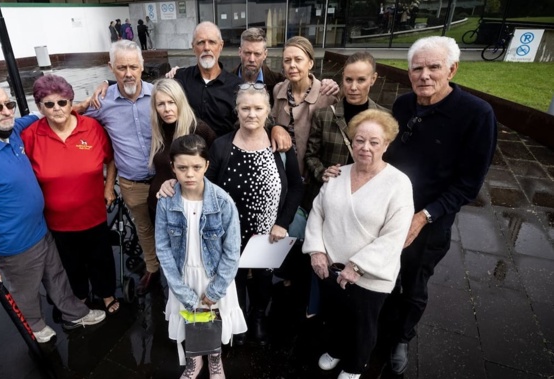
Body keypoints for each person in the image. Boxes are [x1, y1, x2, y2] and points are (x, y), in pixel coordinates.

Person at [0, 83, 106, 344]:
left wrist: (82, 104)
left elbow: (47, 112)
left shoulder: (10, 130)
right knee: (25, 290)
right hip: (13, 243)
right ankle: (34, 326)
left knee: (56, 277)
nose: (6, 112)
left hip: (41, 230)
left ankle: (74, 313)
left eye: (9, 104)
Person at [382, 36, 497, 375]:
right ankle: (380, 323)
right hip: (392, 209)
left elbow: (468, 185)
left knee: (415, 282)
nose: (425, 75)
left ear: (453, 69)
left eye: (434, 67)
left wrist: (425, 215)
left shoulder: (477, 115)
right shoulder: (403, 105)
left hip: (432, 217)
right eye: (417, 68)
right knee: (386, 271)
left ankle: (402, 336)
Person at [303, 109, 414, 379]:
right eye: (359, 140)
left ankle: (356, 365)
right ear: (351, 142)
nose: (365, 147)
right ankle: (337, 350)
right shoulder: (338, 173)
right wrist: (316, 250)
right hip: (330, 267)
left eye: (374, 142)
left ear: (386, 144)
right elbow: (317, 211)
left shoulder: (398, 184)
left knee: (363, 325)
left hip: (369, 275)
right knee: (335, 316)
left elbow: (395, 235)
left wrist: (358, 266)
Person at [206, 84, 303, 345]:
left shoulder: (280, 146)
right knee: (233, 277)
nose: (251, 114)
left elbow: (296, 186)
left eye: (258, 108)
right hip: (230, 231)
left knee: (262, 278)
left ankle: (258, 316)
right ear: (236, 111)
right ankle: (237, 320)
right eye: (245, 108)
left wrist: (283, 223)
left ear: (268, 111)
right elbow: (207, 189)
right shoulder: (221, 146)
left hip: (268, 230)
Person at [21, 74, 120, 315]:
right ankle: (81, 295)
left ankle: (106, 293)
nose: (57, 108)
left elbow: (111, 159)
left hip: (92, 212)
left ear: (70, 101)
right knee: (70, 262)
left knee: (101, 257)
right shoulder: (31, 135)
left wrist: (108, 189)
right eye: (49, 104)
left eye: (62, 102)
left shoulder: (91, 127)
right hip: (56, 220)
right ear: (39, 107)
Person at [156, 134, 247, 379]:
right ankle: (194, 361)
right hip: (183, 275)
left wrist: (217, 289)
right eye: (182, 168)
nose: (189, 174)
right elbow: (163, 248)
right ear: (172, 167)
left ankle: (215, 359)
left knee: (213, 320)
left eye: (196, 167)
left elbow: (232, 251)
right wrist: (180, 289)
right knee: (190, 320)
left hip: (215, 277)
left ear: (206, 165)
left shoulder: (223, 202)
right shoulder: (165, 203)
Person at [83, 40, 161, 296]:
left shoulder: (159, 95)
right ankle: (152, 267)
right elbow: (67, 118)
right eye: (121, 67)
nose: (128, 73)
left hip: (165, 180)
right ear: (110, 68)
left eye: (133, 66)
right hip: (132, 182)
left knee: (172, 225)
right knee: (144, 227)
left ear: (142, 66)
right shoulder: (102, 103)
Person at [305, 51, 389, 210]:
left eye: (361, 80)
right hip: (330, 196)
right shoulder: (324, 115)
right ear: (342, 77)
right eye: (348, 80)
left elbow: (387, 160)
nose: (353, 87)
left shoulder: (383, 118)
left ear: (373, 79)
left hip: (366, 197)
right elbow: (311, 155)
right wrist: (322, 172)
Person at [271, 36, 337, 178]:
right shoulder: (278, 90)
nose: (292, 65)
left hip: (313, 176)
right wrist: (275, 127)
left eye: (298, 59)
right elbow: (271, 121)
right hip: (281, 172)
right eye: (287, 60)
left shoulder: (326, 95)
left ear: (310, 63)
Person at [148, 78, 216, 215]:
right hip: (158, 205)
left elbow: (214, 168)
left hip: (185, 210)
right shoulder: (159, 130)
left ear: (180, 102)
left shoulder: (199, 129)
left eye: (171, 102)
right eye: (161, 104)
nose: (167, 109)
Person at [233, 28, 339, 107]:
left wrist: (327, 83)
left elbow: (304, 81)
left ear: (265, 54)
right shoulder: (225, 82)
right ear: (239, 52)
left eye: (257, 54)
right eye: (247, 53)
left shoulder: (279, 83)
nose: (251, 59)